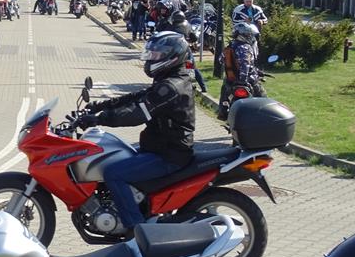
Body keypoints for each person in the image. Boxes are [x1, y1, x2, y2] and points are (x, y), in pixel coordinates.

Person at [75, 32, 195, 231]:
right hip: (159, 148)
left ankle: (135, 229)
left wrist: (99, 119)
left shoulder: (172, 87)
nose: (152, 58)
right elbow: (136, 98)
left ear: (172, 56)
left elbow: (137, 113)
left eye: (157, 55)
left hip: (169, 155)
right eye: (152, 54)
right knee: (114, 157)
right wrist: (99, 106)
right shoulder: (168, 81)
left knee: (113, 173)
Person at [218, 22, 263, 120]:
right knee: (264, 100)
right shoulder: (245, 47)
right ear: (241, 35)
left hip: (231, 79)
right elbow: (245, 65)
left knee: (224, 93)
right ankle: (265, 118)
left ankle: (222, 111)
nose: (249, 36)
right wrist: (243, 80)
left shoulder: (230, 46)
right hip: (248, 80)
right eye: (247, 34)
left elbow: (220, 60)